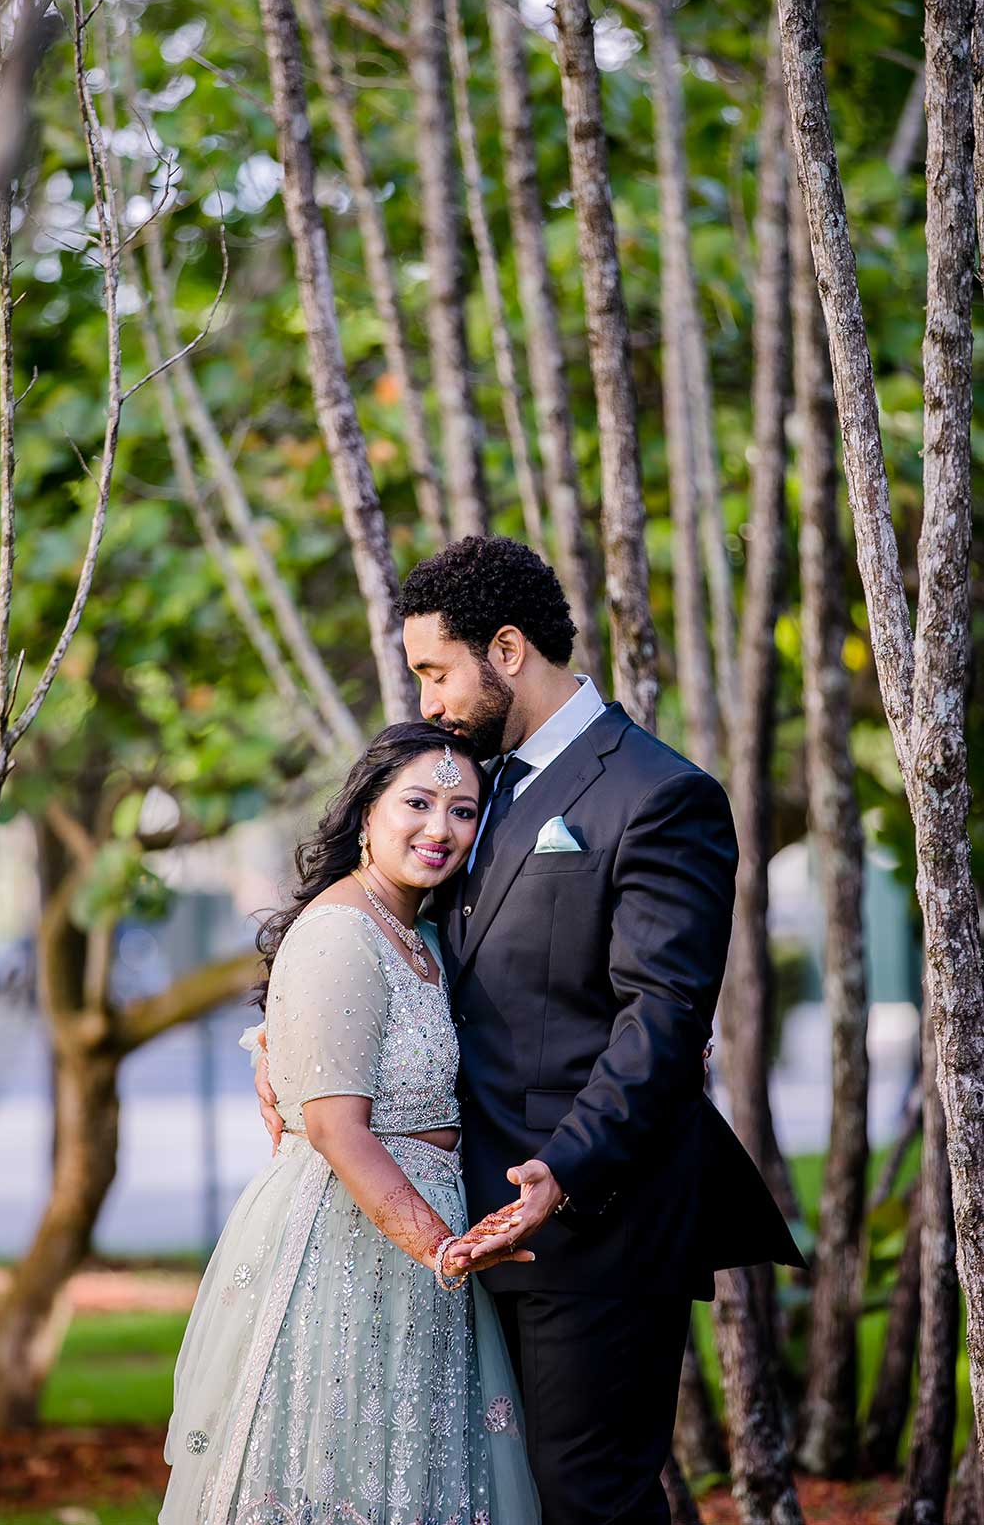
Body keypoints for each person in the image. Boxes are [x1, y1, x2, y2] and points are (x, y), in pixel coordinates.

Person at [254, 536, 805, 1525]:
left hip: (593, 1225)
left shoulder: (658, 796)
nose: (427, 699)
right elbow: (395, 953)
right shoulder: (468, 790)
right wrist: (289, 1040)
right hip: (459, 1226)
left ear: (506, 649)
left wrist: (565, 1169)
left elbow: (665, 1019)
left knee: (587, 1501)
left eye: (436, 669)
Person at [161, 723, 541, 1525]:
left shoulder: (426, 934)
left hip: (418, 1252)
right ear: (366, 811)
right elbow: (338, 1128)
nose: (440, 828)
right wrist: (439, 1243)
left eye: (464, 810)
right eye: (418, 801)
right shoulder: (340, 929)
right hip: (346, 1247)